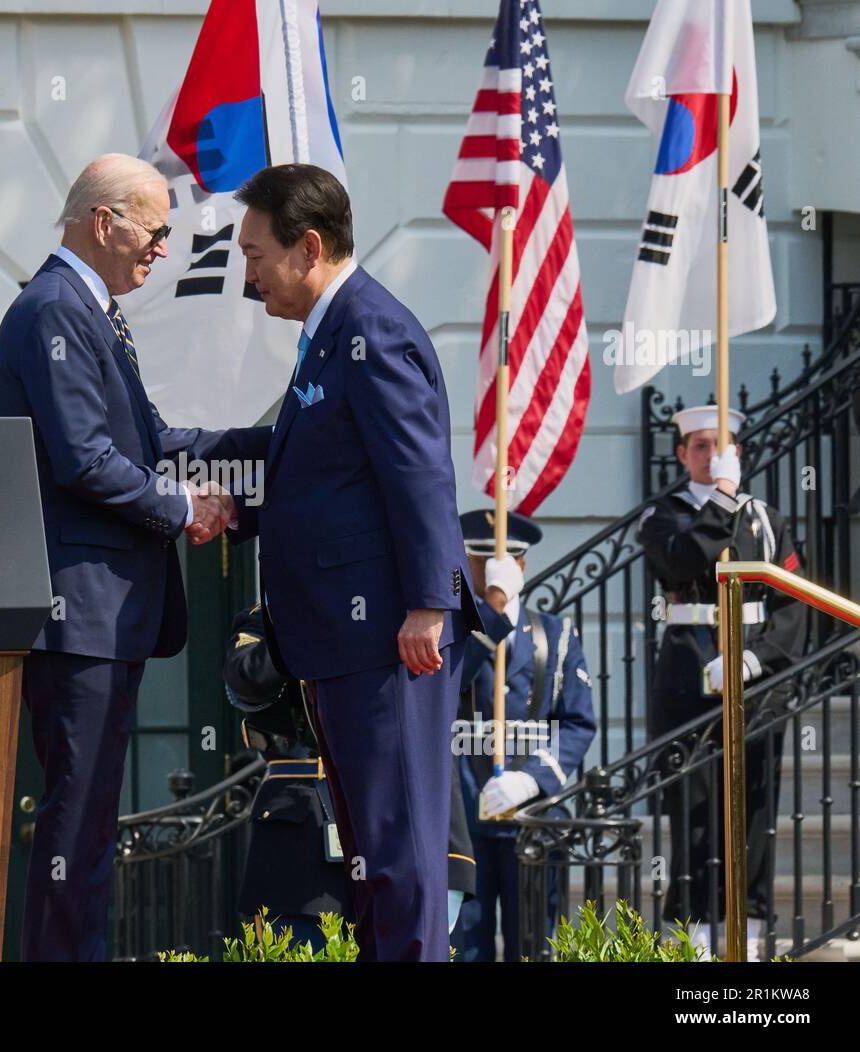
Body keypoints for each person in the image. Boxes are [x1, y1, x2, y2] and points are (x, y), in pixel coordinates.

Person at [0, 153, 272, 961]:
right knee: (77, 825)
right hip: (78, 616)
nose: (162, 251)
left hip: (101, 617)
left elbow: (153, 441)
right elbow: (83, 459)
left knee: (86, 821)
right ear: (104, 221)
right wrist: (185, 507)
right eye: (154, 231)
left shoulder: (90, 310)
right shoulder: (54, 309)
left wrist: (275, 441)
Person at [227, 163, 482, 962]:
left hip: (390, 640)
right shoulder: (332, 334)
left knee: (402, 858)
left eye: (256, 253)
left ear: (307, 247)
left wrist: (429, 605)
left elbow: (420, 472)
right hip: (345, 641)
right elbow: (318, 475)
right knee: (372, 862)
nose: (247, 273)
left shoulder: (374, 330)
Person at [639, 405, 806, 960]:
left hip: (753, 682)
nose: (712, 456)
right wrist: (723, 497)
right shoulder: (663, 516)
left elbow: (793, 606)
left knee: (754, 806)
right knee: (693, 809)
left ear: (737, 451)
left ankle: (749, 926)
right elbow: (686, 564)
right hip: (689, 676)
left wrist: (754, 662)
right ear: (684, 454)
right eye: (702, 446)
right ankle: (695, 933)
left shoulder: (766, 519)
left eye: (722, 446)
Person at [223, 603, 477, 952]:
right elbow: (244, 681)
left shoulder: (402, 611)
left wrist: (452, 861)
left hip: (393, 824)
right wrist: (300, 622)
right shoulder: (268, 616)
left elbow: (438, 722)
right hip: (300, 834)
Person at [450, 510, 597, 962]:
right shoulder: (447, 632)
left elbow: (578, 722)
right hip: (464, 824)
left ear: (524, 564)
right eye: (483, 558)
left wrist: (532, 779)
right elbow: (446, 688)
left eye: (510, 557)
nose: (499, 565)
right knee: (463, 949)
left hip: (532, 819)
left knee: (535, 946)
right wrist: (489, 610)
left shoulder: (556, 634)